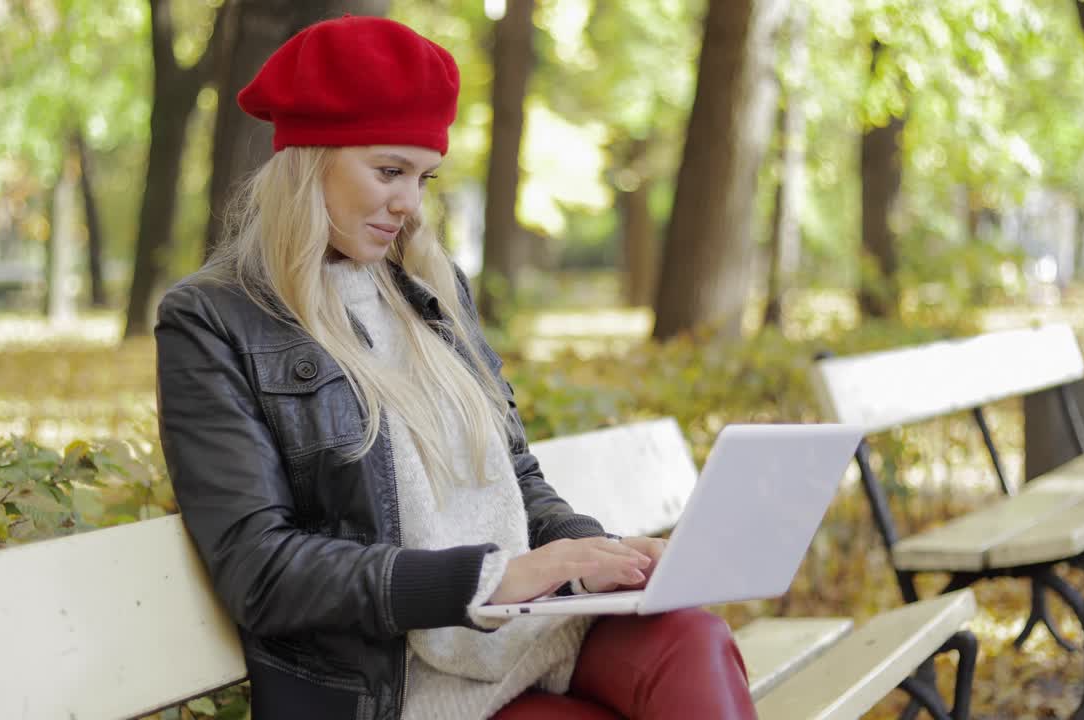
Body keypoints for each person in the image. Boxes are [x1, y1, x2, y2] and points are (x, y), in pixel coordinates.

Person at [154, 16, 756, 720]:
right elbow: (264, 570)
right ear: (311, 157)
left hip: (512, 638)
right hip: (391, 686)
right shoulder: (213, 319)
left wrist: (595, 555)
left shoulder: (428, 292)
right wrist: (494, 578)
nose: (409, 204)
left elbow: (516, 479)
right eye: (389, 171)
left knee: (692, 635)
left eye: (423, 177)